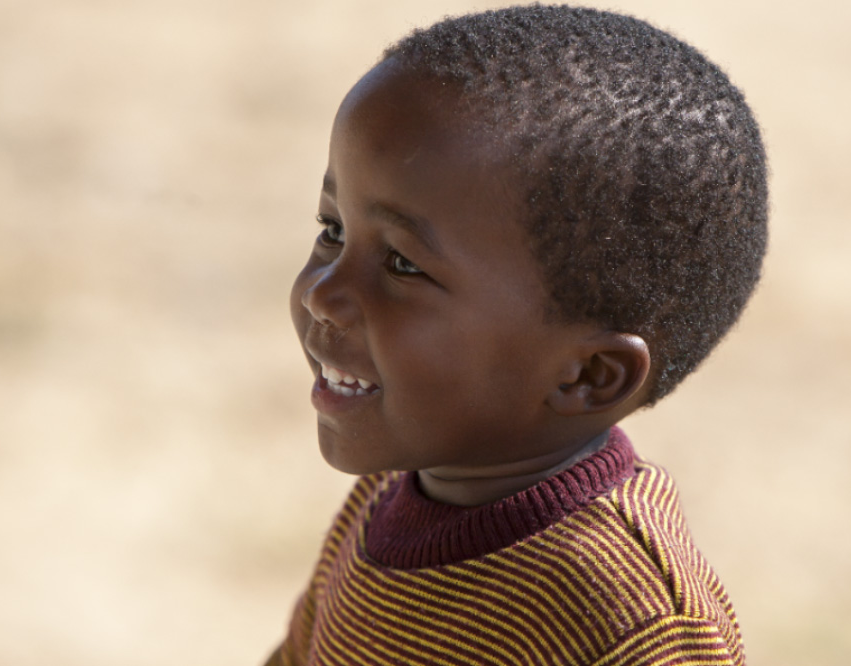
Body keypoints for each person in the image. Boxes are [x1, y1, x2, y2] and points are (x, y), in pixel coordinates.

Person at [269, 5, 767, 665]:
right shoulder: (386, 497)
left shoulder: (632, 621)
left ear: (588, 376)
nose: (322, 293)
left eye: (402, 264)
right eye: (333, 229)